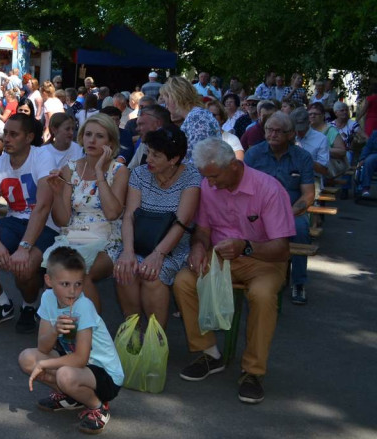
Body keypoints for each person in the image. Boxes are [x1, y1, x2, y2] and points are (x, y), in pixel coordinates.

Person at [175, 138, 294, 404]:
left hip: (263, 260)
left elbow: (282, 249)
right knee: (184, 280)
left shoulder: (268, 189)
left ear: (235, 166)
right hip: (221, 257)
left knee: (262, 295)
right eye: (207, 177)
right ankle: (209, 353)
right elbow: (203, 231)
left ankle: (253, 372)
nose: (212, 184)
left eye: (215, 176)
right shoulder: (208, 184)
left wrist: (246, 247)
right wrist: (197, 247)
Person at [0, 113, 57, 334]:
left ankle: (29, 306)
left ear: (29, 137)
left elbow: (43, 207)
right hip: (14, 220)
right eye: (5, 133)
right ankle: (4, 304)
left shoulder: (42, 157)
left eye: (14, 134)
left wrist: (24, 247)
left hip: (47, 224)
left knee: (23, 268)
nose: (6, 139)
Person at [18, 247, 124, 435]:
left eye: (78, 284)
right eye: (65, 284)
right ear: (49, 281)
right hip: (78, 368)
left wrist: (45, 364)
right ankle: (72, 397)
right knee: (27, 358)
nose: (73, 291)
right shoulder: (48, 298)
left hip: (105, 375)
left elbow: (81, 358)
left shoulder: (83, 306)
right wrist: (54, 330)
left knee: (64, 375)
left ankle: (98, 407)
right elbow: (43, 346)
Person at [113, 124, 200, 328]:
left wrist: (159, 254)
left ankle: (155, 338)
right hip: (140, 240)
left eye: (156, 155)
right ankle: (131, 330)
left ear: (174, 159)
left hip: (172, 245)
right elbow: (129, 216)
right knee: (125, 270)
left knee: (153, 275)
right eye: (148, 152)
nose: (149, 159)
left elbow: (182, 222)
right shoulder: (140, 174)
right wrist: (128, 251)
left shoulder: (191, 177)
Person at [43, 113, 128, 312]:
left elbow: (113, 213)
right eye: (88, 134)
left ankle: (91, 331)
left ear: (111, 142)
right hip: (75, 234)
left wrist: (99, 173)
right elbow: (63, 220)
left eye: (100, 136)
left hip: (107, 236)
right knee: (61, 270)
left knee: (76, 274)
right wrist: (56, 194)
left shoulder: (119, 171)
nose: (92, 140)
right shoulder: (70, 169)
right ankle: (68, 327)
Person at [243, 112, 315, 305]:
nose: (272, 134)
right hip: (257, 209)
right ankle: (250, 274)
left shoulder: (303, 157)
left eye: (278, 131)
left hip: (291, 210)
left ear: (290, 134)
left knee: (300, 229)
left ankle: (299, 282)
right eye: (268, 129)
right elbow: (243, 188)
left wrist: (285, 215)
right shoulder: (253, 154)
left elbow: (308, 194)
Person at [159, 76, 219, 165]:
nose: (166, 106)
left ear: (174, 98)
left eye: (166, 100)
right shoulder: (196, 116)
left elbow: (199, 159)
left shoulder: (197, 118)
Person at [290, 107, 329, 177]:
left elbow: (324, 170)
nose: (298, 131)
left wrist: (304, 156)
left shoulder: (321, 139)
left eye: (301, 129)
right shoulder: (289, 135)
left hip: (313, 178)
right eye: (295, 128)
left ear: (309, 122)